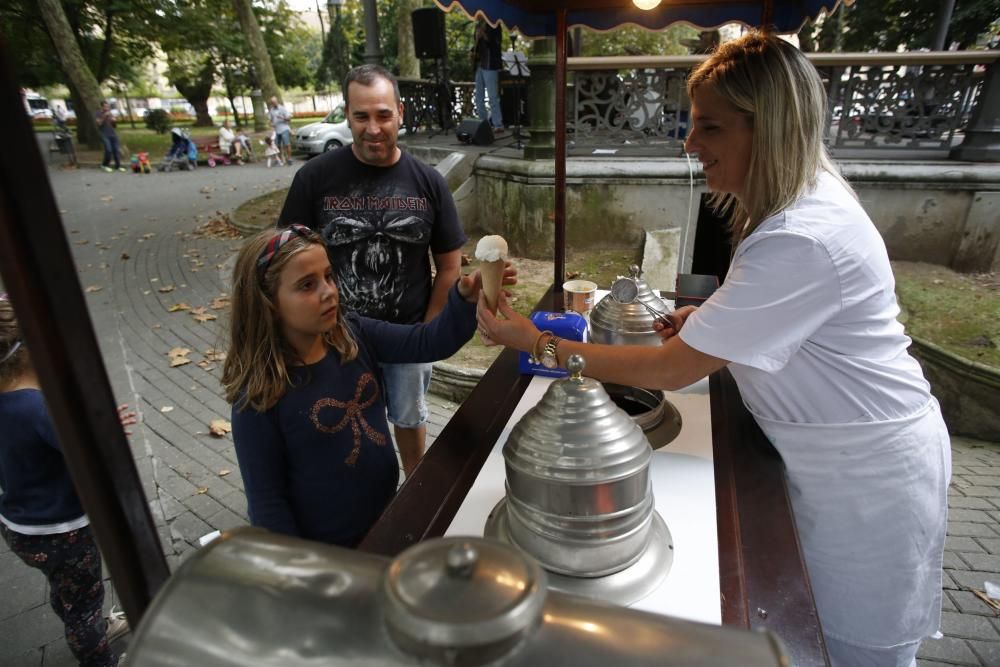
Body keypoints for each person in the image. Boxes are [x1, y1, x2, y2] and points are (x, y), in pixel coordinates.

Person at [477, 31, 950, 667]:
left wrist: (539, 343)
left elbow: (671, 370)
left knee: (848, 649)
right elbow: (785, 321)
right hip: (835, 455)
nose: (690, 144)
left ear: (771, 128)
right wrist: (713, 320)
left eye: (711, 128)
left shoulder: (803, 236)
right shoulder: (799, 209)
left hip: (865, 478)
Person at [221, 225, 512, 547]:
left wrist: (462, 299)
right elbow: (267, 507)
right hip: (327, 552)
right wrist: (299, 571)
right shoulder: (259, 398)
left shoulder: (354, 336)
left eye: (329, 276)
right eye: (307, 285)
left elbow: (427, 342)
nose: (328, 291)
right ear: (268, 303)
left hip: (385, 518)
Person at [277, 64, 468, 478]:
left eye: (383, 114)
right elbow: (286, 259)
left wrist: (427, 334)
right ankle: (357, 495)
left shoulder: (429, 183)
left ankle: (415, 487)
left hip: (406, 335)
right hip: (334, 338)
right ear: (347, 115)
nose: (373, 128)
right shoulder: (314, 178)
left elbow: (450, 265)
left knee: (409, 418)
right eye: (361, 116)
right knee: (344, 426)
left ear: (400, 112)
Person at [0, 296, 135, 666]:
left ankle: (77, 618)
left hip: (19, 527)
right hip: (62, 532)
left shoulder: (13, 403)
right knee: (85, 604)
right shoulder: (39, 409)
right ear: (29, 351)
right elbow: (85, 453)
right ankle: (97, 654)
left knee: (68, 590)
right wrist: (106, 433)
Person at [472, 17, 504, 134]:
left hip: (490, 64)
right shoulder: (477, 25)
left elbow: (496, 43)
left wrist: (484, 35)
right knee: (478, 97)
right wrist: (472, 51)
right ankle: (483, 123)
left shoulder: (495, 24)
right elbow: (477, 45)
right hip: (479, 64)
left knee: (492, 97)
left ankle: (498, 124)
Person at [96, 101, 124, 173]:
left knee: (116, 150)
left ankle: (118, 166)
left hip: (113, 134)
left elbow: (114, 126)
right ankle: (104, 165)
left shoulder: (110, 113)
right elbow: (99, 124)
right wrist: (104, 116)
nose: (107, 108)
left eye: (108, 106)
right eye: (105, 106)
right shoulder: (98, 113)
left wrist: (114, 121)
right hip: (104, 135)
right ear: (102, 107)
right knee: (108, 150)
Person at [268, 96, 293, 166]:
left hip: (284, 128)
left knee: (287, 144)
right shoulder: (271, 110)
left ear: (277, 101)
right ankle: (279, 159)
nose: (274, 103)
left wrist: (282, 117)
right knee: (277, 145)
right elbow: (270, 119)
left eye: (274, 102)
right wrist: (271, 124)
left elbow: (289, 119)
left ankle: (289, 158)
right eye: (272, 102)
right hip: (276, 130)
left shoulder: (282, 108)